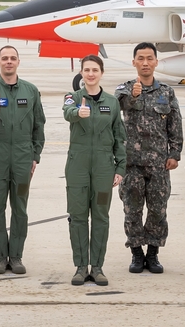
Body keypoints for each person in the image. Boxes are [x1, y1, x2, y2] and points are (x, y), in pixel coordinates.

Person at [0, 45, 45, 275]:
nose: (8, 62)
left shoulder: (31, 91)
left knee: (20, 209)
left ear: (18, 62)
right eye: (4, 58)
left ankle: (15, 256)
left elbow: (39, 125)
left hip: (23, 158)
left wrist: (35, 155)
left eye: (12, 58)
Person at [114, 42, 182, 274]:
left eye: (149, 58)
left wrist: (175, 153)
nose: (145, 62)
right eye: (140, 58)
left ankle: (153, 254)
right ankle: (136, 253)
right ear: (133, 62)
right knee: (132, 210)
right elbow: (119, 105)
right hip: (131, 163)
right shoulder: (124, 89)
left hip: (159, 163)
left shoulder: (166, 92)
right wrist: (133, 97)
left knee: (157, 210)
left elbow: (175, 123)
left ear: (155, 62)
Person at [62, 55, 127, 286]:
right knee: (78, 217)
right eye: (86, 70)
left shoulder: (112, 101)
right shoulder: (73, 97)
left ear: (101, 73)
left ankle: (97, 267)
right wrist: (77, 113)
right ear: (81, 73)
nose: (90, 74)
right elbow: (66, 111)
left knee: (100, 217)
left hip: (103, 168)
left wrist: (120, 166)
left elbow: (120, 137)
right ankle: (81, 267)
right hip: (77, 166)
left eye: (94, 70)